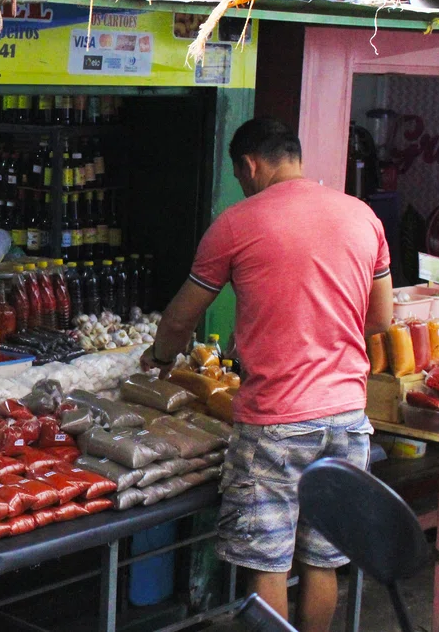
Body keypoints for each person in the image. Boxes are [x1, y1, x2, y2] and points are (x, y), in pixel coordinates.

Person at [141, 117, 393, 632]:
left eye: (240, 176)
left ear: (250, 165)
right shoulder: (363, 216)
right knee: (323, 558)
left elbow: (181, 317)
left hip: (276, 423)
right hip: (347, 416)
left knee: (268, 562)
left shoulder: (236, 223)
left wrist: (161, 360)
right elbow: (381, 321)